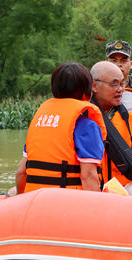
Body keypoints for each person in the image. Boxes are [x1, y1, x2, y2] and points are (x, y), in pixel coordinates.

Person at [15, 62, 105, 193]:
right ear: (88, 92)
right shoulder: (88, 126)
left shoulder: (41, 121)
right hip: (66, 201)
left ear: (53, 89)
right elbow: (88, 177)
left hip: (35, 200)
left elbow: (21, 172)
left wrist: (20, 199)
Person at [90, 61, 132, 195]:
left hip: (125, 187)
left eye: (122, 83)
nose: (120, 89)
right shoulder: (82, 114)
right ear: (94, 85)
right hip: (91, 188)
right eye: (114, 84)